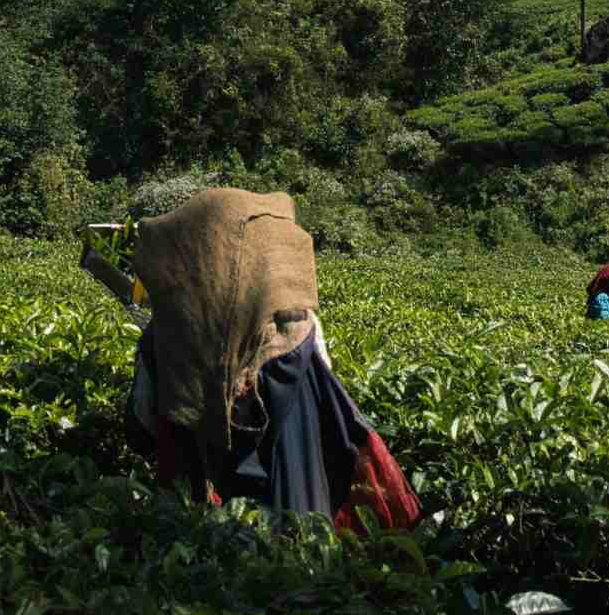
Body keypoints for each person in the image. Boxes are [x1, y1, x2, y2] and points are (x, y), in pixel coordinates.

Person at [127, 188, 419, 533]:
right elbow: (328, 391)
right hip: (299, 499)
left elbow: (143, 424)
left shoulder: (166, 334)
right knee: (299, 554)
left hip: (203, 526)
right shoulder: (302, 325)